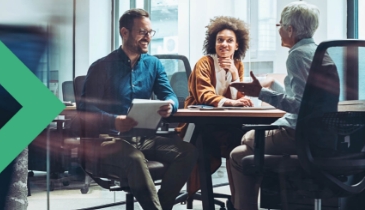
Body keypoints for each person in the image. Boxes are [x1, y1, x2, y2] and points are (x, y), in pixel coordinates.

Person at [78, 8, 197, 210]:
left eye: (151, 32)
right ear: (125, 32)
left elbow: (169, 95)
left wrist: (170, 105)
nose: (148, 37)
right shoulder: (102, 66)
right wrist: (114, 120)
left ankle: (160, 207)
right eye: (142, 32)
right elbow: (85, 108)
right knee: (134, 158)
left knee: (188, 152)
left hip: (143, 138)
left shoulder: (153, 64)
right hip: (107, 140)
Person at [229, 1, 323, 210]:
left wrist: (260, 93)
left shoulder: (297, 55)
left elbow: (301, 105)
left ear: (290, 29)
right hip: (322, 136)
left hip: (299, 135)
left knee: (246, 139)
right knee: (239, 154)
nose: (278, 30)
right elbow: (309, 97)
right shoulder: (320, 53)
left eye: (279, 25)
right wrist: (271, 87)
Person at [175, 16, 251, 203]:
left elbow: (240, 98)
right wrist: (231, 103)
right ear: (213, 43)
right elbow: (204, 95)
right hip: (198, 124)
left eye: (229, 40)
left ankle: (237, 202)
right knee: (226, 142)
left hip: (223, 124)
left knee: (241, 141)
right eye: (220, 40)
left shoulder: (238, 65)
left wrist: (234, 74)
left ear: (237, 44)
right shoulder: (205, 63)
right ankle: (223, 202)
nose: (224, 44)